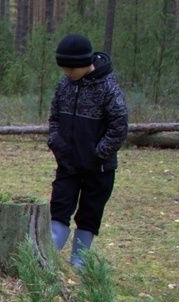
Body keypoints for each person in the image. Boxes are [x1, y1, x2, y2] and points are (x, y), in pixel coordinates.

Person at [47, 33, 129, 268]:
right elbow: (54, 118)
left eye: (71, 68)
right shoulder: (64, 85)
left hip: (99, 168)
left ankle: (79, 263)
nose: (67, 73)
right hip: (68, 164)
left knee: (89, 215)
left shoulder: (109, 88)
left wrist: (98, 154)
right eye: (64, 68)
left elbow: (119, 127)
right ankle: (47, 257)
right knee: (59, 208)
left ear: (85, 63)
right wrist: (57, 143)